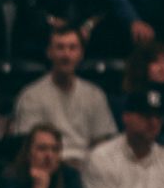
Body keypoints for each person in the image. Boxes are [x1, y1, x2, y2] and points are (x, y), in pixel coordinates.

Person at [12, 25, 117, 170]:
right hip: (48, 168)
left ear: (81, 53)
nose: (66, 55)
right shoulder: (31, 95)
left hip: (88, 168)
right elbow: (28, 145)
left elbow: (103, 142)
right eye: (60, 48)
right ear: (49, 52)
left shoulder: (95, 95)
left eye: (72, 48)